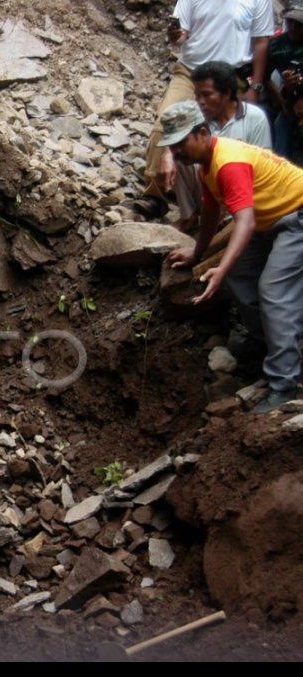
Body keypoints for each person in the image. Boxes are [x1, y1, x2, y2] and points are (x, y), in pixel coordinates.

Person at [162, 100, 303, 412]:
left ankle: (285, 384)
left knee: (274, 289)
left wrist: (219, 269)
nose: (177, 153)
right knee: (241, 273)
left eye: (180, 144)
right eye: (172, 147)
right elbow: (211, 213)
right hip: (272, 219)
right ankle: (270, 343)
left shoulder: (228, 163)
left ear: (201, 133)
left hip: (296, 217)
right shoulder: (207, 167)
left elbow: (245, 222)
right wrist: (197, 253)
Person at [134, 0, 274, 220]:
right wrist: (175, 35)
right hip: (190, 72)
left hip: (229, 77)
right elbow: (182, 35)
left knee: (222, 135)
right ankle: (155, 194)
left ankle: (223, 204)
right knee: (166, 124)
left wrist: (255, 86)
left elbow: (260, 42)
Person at [167, 61, 272, 233]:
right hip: (209, 190)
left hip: (240, 191)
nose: (200, 102)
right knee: (180, 155)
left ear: (226, 93)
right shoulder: (197, 116)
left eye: (206, 95)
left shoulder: (254, 117)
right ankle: (189, 216)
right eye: (197, 95)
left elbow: (263, 165)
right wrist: (167, 154)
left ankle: (229, 219)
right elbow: (174, 135)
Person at [265, 1, 303, 158]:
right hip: (290, 101)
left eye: (299, 24)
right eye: (290, 22)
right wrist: (282, 101)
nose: (293, 28)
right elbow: (263, 77)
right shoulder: (277, 45)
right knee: (281, 125)